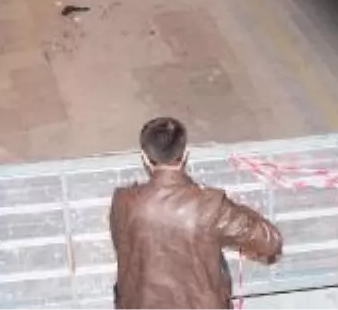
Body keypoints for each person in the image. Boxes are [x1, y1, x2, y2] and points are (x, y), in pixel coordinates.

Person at [110, 117, 283, 310]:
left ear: (144, 156)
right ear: (185, 155)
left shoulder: (122, 202)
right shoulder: (210, 205)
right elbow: (270, 241)